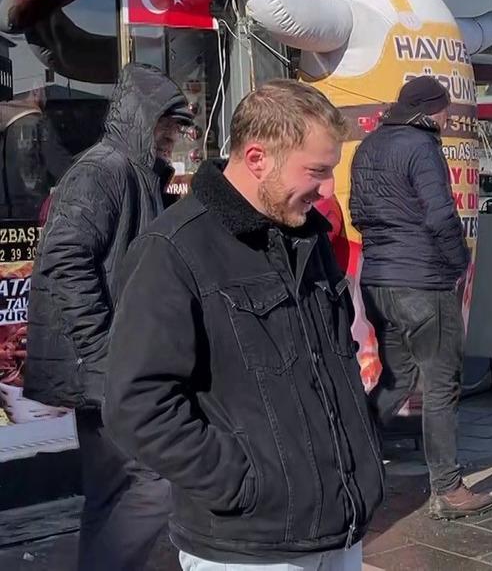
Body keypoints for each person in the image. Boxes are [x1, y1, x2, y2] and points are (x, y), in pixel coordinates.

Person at [104, 80, 384, 571]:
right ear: (257, 159)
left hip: (339, 530)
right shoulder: (173, 250)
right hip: (247, 545)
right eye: (317, 172)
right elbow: (137, 405)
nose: (326, 191)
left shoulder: (308, 238)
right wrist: (243, 483)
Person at [23, 62, 193, 571]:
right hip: (109, 365)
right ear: (143, 120)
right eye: (166, 125)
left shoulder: (135, 174)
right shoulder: (105, 170)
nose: (172, 136)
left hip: (111, 362)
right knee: (153, 482)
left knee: (113, 491)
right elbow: (65, 260)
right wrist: (102, 353)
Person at [350, 76, 492, 519]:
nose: (449, 116)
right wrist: (458, 264)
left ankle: (351, 457)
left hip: (377, 279)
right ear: (430, 109)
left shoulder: (368, 146)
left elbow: (359, 214)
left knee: (396, 377)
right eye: (445, 109)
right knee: (440, 385)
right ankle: (449, 490)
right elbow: (440, 215)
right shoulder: (421, 146)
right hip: (422, 282)